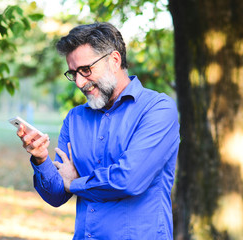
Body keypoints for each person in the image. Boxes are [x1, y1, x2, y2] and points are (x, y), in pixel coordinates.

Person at [16, 22, 180, 239]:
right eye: (73, 73)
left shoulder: (158, 109)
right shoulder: (75, 118)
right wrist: (40, 159)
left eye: (86, 70)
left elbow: (128, 181)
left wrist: (75, 183)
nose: (79, 82)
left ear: (114, 60)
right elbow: (56, 195)